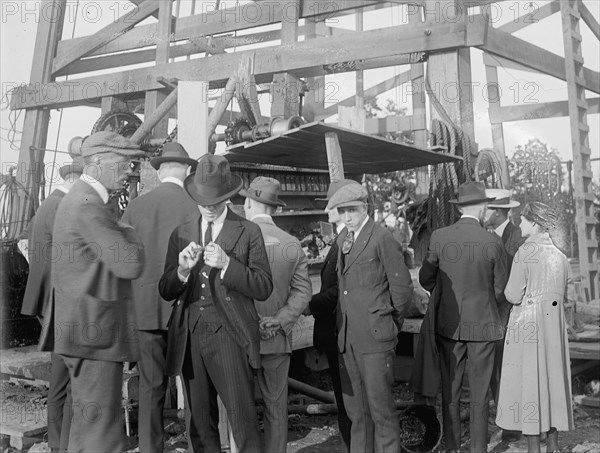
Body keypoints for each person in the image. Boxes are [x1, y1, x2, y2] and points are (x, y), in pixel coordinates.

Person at [159, 154, 273, 453]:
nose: (208, 207)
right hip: (191, 336)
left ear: (227, 197)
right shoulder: (181, 233)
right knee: (198, 423)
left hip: (230, 336)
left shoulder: (248, 231)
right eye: (202, 201)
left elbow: (263, 287)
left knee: (243, 421)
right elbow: (165, 289)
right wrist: (182, 271)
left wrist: (227, 265)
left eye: (215, 201)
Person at [40, 131, 146, 452]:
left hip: (83, 332)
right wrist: (128, 229)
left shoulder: (80, 198)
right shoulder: (89, 204)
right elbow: (130, 265)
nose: (129, 170)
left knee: (85, 432)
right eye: (123, 163)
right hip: (94, 336)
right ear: (97, 162)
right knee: (102, 435)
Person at [419, 181, 508, 453]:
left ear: (459, 208)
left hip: (450, 326)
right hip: (483, 326)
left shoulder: (440, 237)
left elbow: (426, 278)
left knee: (451, 391)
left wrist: (446, 296)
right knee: (480, 395)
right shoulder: (493, 241)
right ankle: (479, 449)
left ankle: (452, 447)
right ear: (482, 208)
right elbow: (501, 287)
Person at [121, 143, 198, 453]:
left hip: (145, 312)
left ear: (159, 169)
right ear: (188, 170)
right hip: (187, 310)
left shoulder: (136, 207)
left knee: (151, 386)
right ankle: (197, 445)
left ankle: (151, 448)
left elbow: (124, 260)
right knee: (195, 387)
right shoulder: (196, 206)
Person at [329, 181, 413, 453]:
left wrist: (388, 324)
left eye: (352, 210)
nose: (347, 216)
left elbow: (402, 289)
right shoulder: (343, 239)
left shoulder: (381, 237)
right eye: (342, 211)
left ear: (364, 207)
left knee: (382, 413)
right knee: (358, 414)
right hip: (348, 339)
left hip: (376, 339)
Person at [241, 176, 312, 453]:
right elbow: (302, 293)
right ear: (276, 209)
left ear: (248, 203)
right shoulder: (292, 243)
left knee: (239, 407)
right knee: (275, 406)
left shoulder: (236, 239)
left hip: (241, 339)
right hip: (277, 338)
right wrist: (279, 320)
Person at [496, 201, 574, 453]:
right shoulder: (561, 257)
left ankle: (533, 447)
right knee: (553, 382)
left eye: (525, 220)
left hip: (528, 325)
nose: (520, 223)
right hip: (554, 328)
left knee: (530, 382)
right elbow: (567, 295)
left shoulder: (525, 252)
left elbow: (511, 294)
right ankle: (553, 444)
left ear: (537, 223)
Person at [20, 156, 83, 453]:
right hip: (62, 302)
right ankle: (64, 443)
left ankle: (60, 442)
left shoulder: (46, 206)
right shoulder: (63, 208)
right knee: (67, 378)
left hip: (47, 299)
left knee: (60, 377)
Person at [307, 179, 354, 451]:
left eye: (331, 206)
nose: (326, 211)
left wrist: (309, 305)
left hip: (340, 332)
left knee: (347, 399)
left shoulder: (345, 241)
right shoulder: (342, 239)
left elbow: (337, 292)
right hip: (340, 331)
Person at [484, 189, 524, 411]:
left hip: (508, 312)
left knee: (505, 366)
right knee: (493, 366)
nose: (483, 212)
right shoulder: (485, 234)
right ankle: (503, 416)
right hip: (490, 311)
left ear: (498, 212)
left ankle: (509, 422)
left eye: (488, 208)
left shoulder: (517, 237)